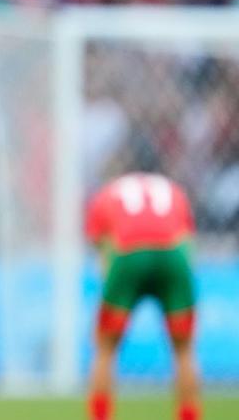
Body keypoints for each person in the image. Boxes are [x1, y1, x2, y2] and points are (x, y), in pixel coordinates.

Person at [83, 173, 200, 420]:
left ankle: (100, 416)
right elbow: (187, 241)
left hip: (128, 253)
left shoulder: (106, 194)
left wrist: (112, 289)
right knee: (184, 349)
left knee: (105, 348)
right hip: (173, 254)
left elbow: (102, 251)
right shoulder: (173, 189)